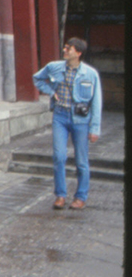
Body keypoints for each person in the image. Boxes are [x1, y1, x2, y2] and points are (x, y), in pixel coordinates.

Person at [33, 37, 102, 210]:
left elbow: (96, 102)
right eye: (64, 47)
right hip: (60, 117)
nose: (65, 50)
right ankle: (60, 195)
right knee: (59, 156)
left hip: (81, 120)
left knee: (81, 161)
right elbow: (37, 78)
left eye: (68, 48)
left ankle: (80, 197)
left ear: (78, 53)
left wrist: (94, 128)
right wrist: (50, 92)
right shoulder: (54, 67)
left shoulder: (90, 74)